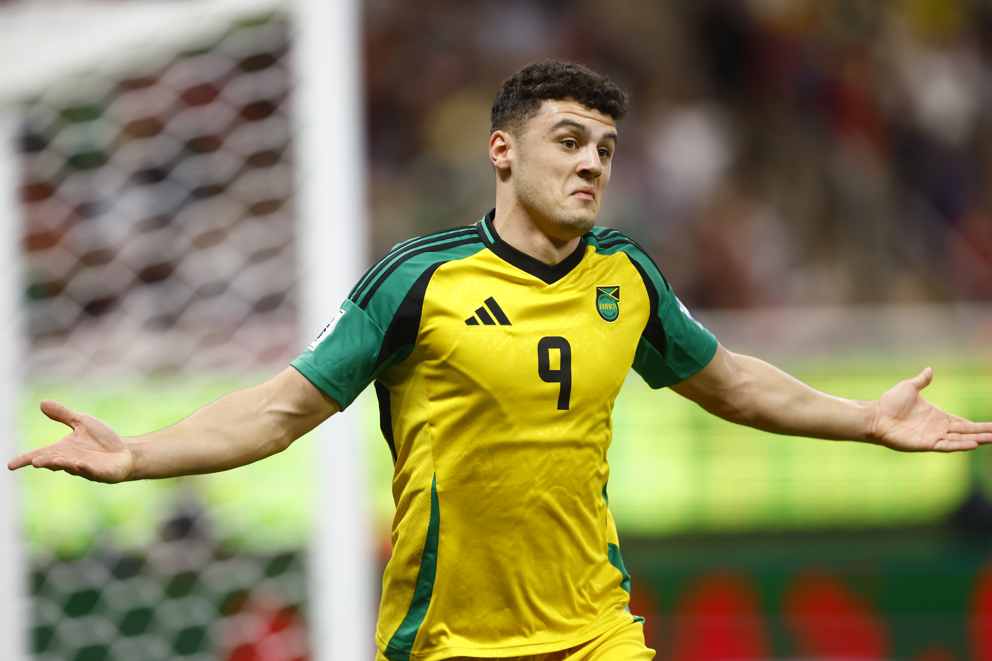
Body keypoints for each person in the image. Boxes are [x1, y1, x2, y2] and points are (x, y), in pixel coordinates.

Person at [8, 60, 992, 661]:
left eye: (605, 148)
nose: (591, 163)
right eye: (568, 141)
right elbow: (279, 410)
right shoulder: (416, 279)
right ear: (501, 152)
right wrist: (138, 453)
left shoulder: (626, 276)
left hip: (595, 629)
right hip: (450, 641)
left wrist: (864, 418)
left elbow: (729, 380)